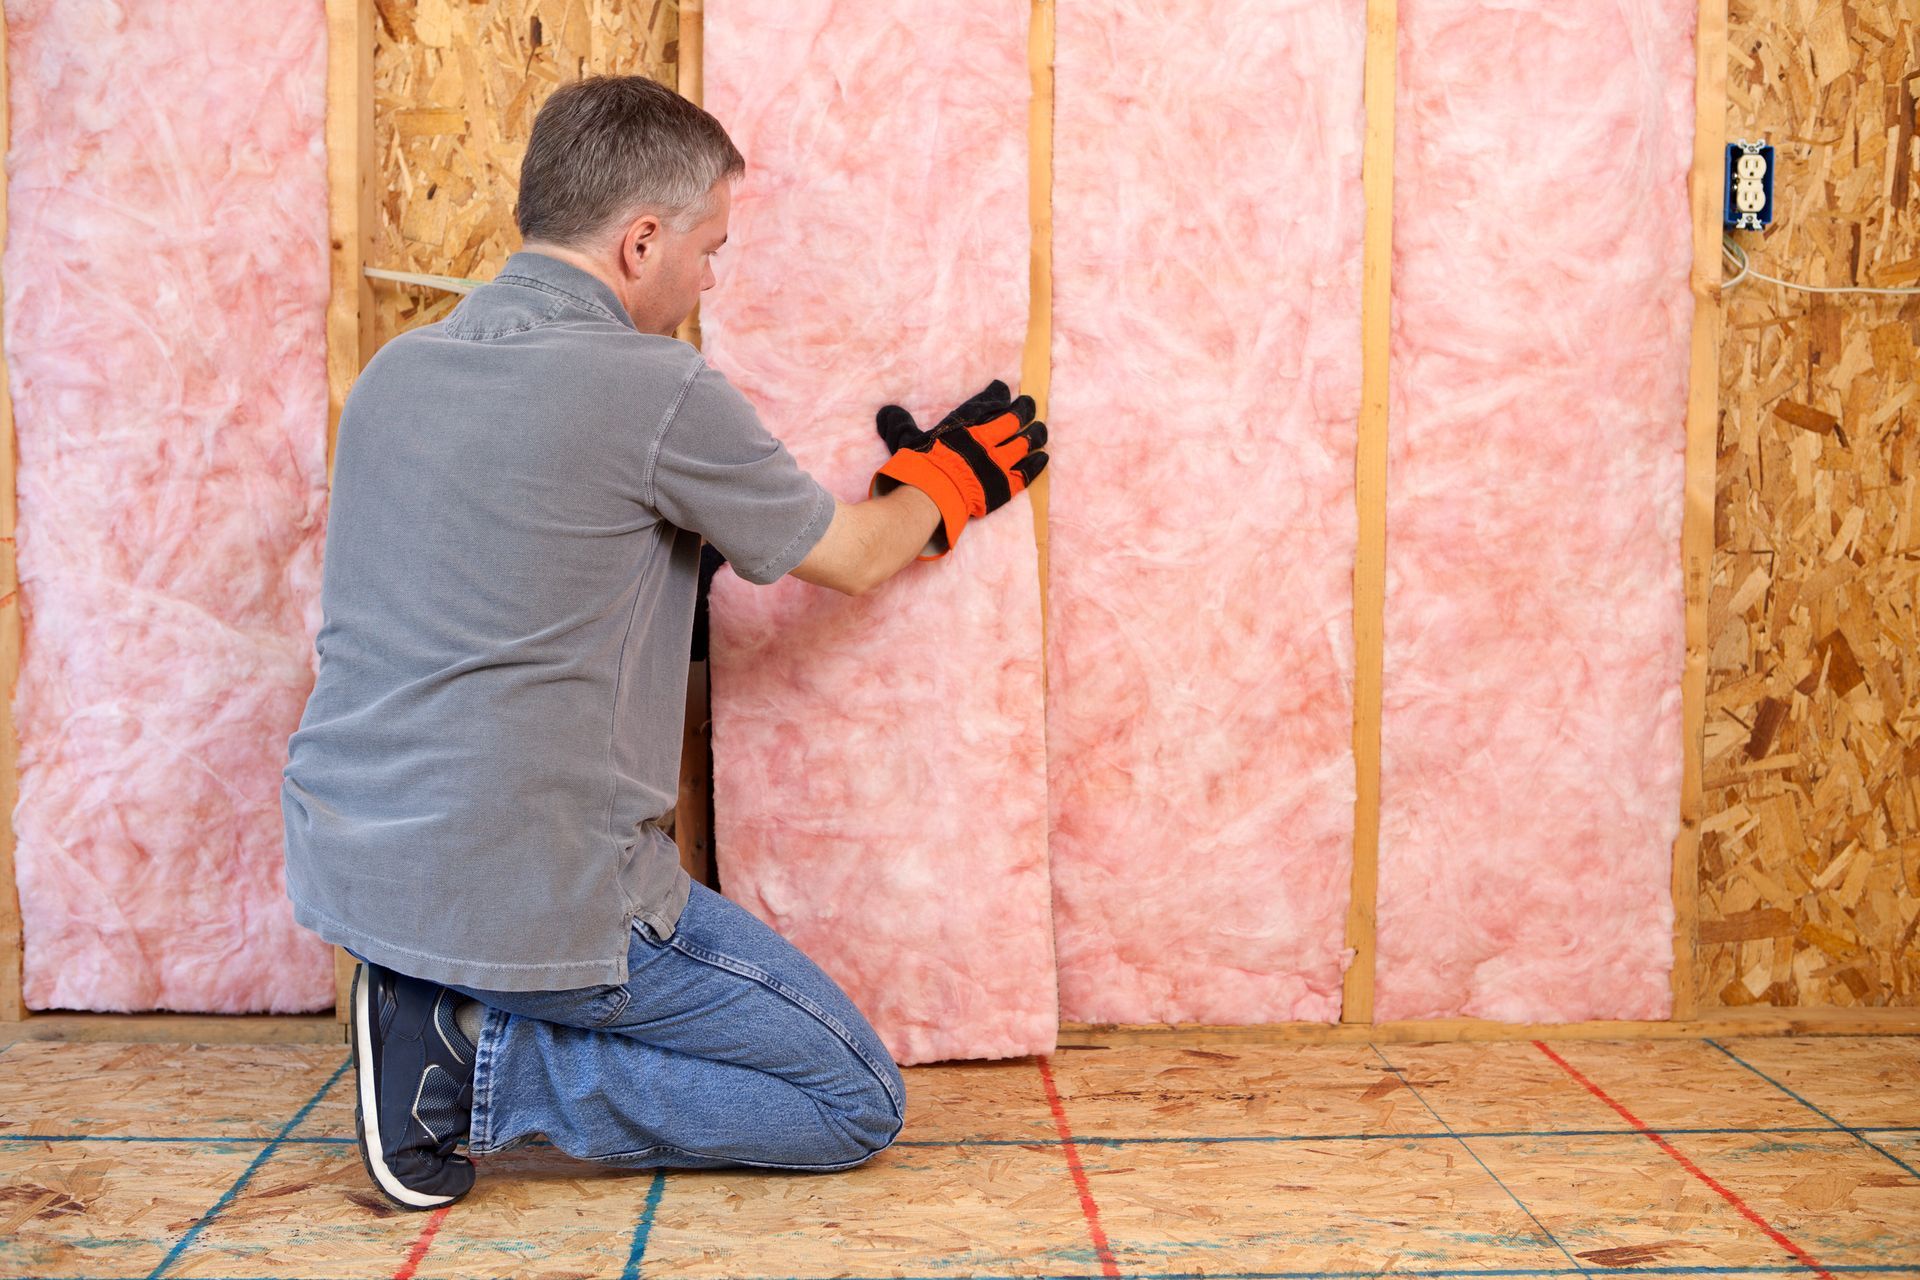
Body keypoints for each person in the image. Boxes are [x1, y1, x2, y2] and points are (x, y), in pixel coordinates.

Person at [279, 74, 1048, 1210]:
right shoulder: (657, 388)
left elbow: (533, 558)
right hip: (544, 891)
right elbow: (853, 553)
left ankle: (430, 1003)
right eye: (710, 249)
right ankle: (473, 1067)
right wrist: (948, 479)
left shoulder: (395, 375)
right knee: (852, 1099)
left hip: (362, 869)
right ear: (640, 242)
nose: (709, 281)